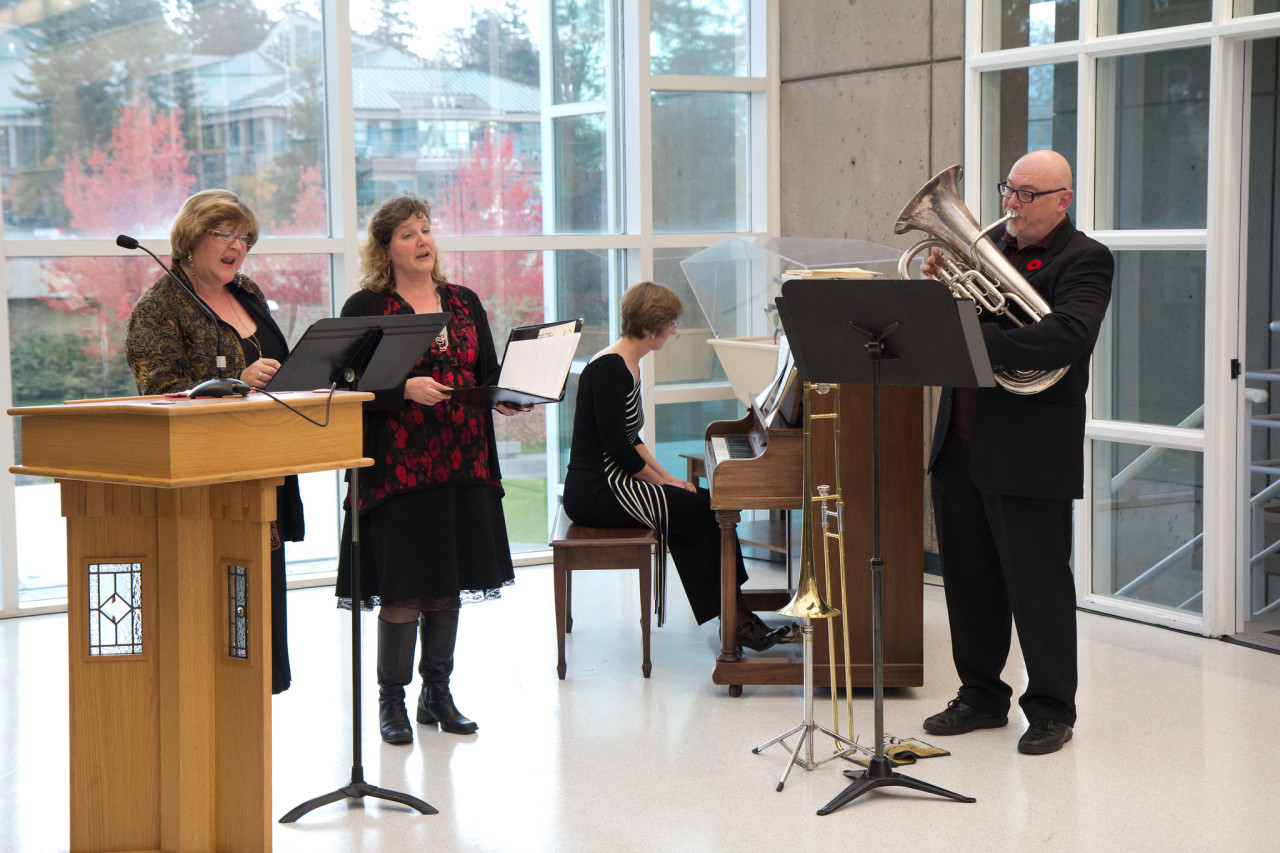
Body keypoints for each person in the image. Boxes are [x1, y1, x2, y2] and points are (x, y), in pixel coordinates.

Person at [921, 150, 1113, 754]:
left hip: (1030, 450)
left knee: (1038, 586)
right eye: (1009, 190)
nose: (1011, 203)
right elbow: (961, 330)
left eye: (1028, 194)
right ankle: (980, 694)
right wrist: (939, 296)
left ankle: (1052, 708)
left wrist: (975, 334)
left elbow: (1068, 335)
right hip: (960, 444)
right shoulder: (987, 252)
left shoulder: (1085, 259)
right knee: (969, 581)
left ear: (1064, 198)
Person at [335, 193, 527, 745]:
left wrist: (506, 397)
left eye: (425, 230)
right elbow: (345, 386)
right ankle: (389, 702)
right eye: (407, 234)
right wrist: (401, 389)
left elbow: (484, 373)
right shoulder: (366, 308)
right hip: (398, 470)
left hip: (464, 461)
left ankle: (436, 694)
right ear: (385, 249)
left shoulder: (464, 301)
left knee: (448, 584)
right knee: (404, 588)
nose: (422, 241)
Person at [125, 188, 303, 695]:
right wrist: (234, 379)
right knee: (218, 615)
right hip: (204, 482)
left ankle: (254, 725)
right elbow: (157, 391)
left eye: (244, 238)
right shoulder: (159, 307)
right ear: (190, 239)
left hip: (263, 466)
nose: (236, 247)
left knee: (260, 608)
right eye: (222, 234)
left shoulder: (246, 289)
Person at [563, 281, 790, 651]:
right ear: (650, 327)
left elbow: (632, 438)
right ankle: (735, 619)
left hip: (613, 482)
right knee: (702, 509)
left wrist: (668, 478)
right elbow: (618, 449)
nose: (674, 330)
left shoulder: (627, 364)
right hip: (596, 491)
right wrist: (666, 485)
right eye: (669, 323)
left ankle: (735, 615)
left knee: (703, 505)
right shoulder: (608, 369)